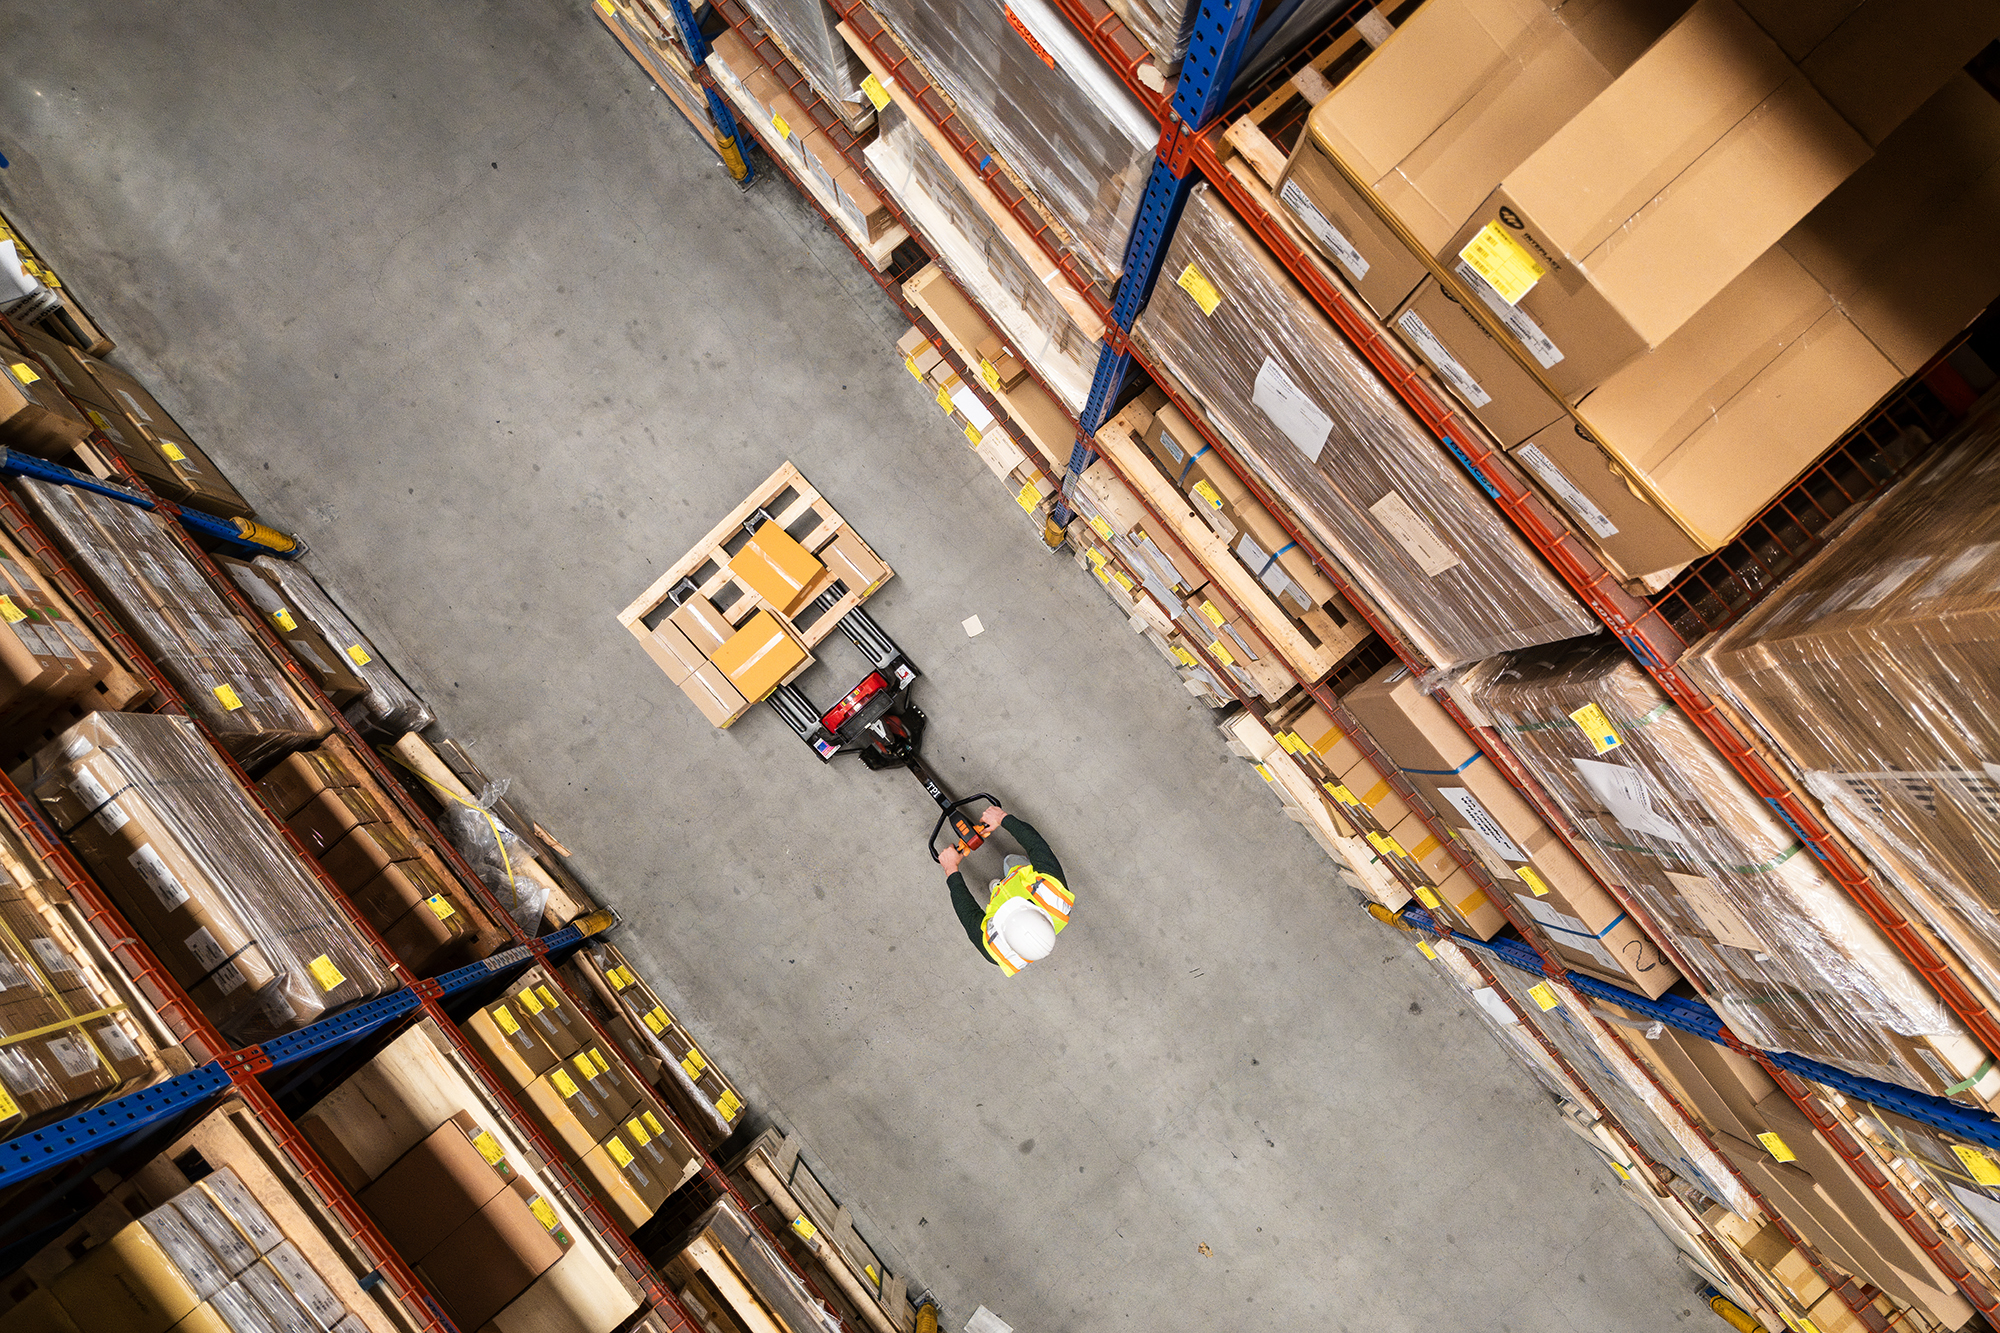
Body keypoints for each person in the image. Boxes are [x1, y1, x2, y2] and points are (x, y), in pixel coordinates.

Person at [939, 805, 1072, 975]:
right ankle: (1008, 877)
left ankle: (998, 890)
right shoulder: (1054, 893)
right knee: (1012, 861)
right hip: (1022, 878)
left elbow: (967, 913)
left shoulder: (994, 949)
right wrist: (1002, 817)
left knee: (1006, 873)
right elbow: (1037, 846)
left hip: (1009, 893)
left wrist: (951, 869)